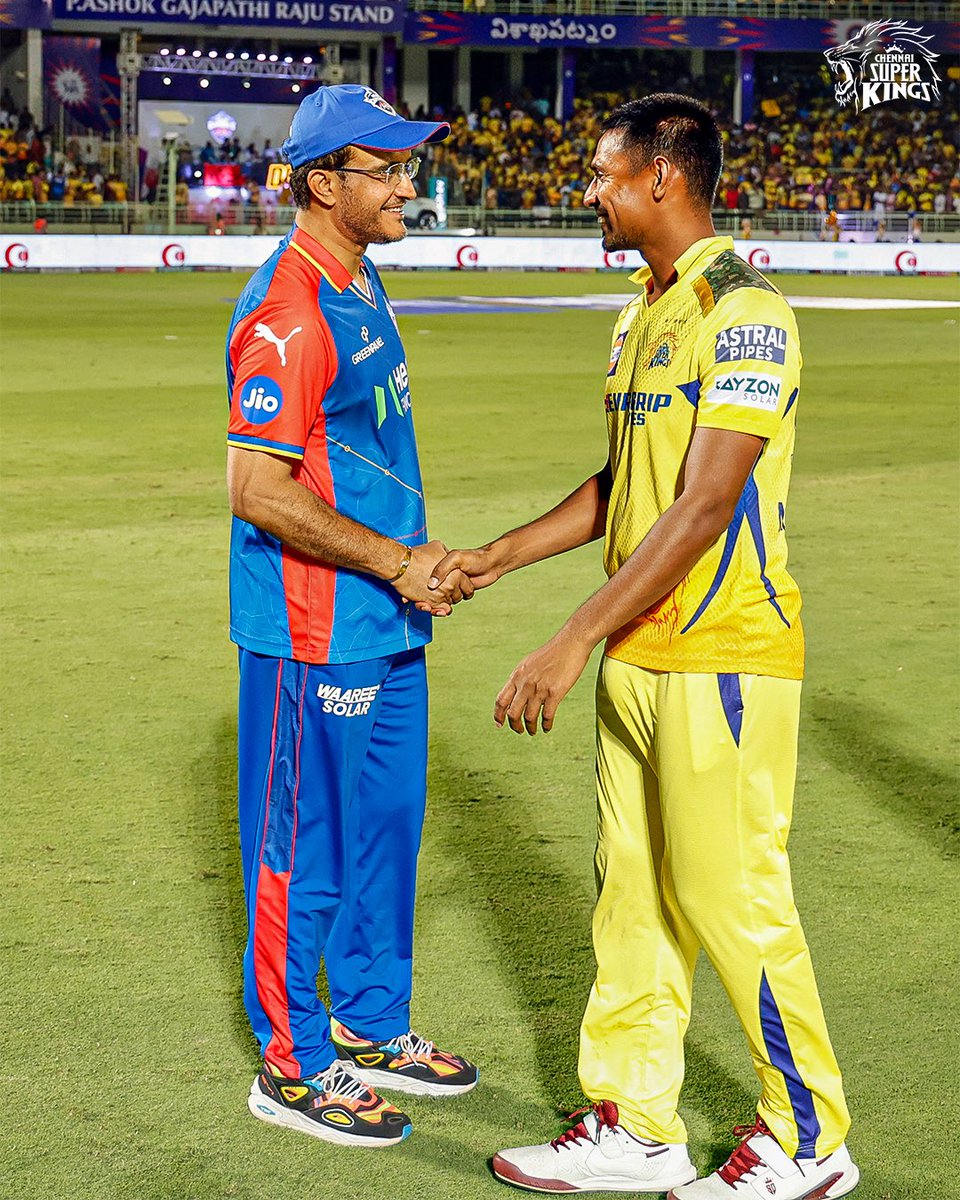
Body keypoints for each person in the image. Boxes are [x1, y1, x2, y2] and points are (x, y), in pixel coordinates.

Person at [432, 94, 859, 1198]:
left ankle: (809, 1140)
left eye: (604, 173)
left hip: (724, 653)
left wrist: (571, 637)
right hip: (642, 653)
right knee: (633, 897)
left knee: (730, 897)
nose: (590, 191)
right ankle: (637, 1124)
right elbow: (626, 485)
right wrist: (497, 556)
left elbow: (705, 504)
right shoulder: (641, 311)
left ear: (665, 178)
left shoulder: (747, 309)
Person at [225, 84, 478, 1150]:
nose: (408, 187)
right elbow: (258, 489)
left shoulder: (360, 276)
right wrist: (394, 561)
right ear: (325, 184)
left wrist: (404, 576)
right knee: (306, 844)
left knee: (385, 833)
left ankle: (372, 1022)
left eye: (409, 166)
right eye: (388, 169)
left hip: (388, 618)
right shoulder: (288, 309)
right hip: (314, 626)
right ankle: (291, 1064)